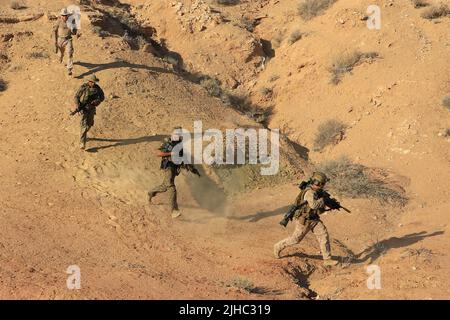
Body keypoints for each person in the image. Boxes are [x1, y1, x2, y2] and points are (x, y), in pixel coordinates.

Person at [273, 172, 339, 267]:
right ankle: (278, 246)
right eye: (323, 183)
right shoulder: (309, 192)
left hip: (314, 219)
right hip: (304, 220)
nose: (324, 185)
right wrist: (323, 200)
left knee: (323, 235)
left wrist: (331, 203)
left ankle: (327, 259)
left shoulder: (317, 191)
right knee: (295, 239)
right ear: (318, 183)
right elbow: (314, 205)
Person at [148, 128, 201, 219]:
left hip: (174, 169)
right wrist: (170, 153)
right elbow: (158, 153)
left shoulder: (180, 146)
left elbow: (185, 160)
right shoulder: (168, 143)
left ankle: (151, 192)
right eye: (175, 134)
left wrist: (193, 170)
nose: (177, 136)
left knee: (165, 186)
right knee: (171, 188)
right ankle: (174, 211)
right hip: (168, 167)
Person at [72, 74, 105, 150]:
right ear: (89, 81)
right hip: (84, 108)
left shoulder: (98, 89)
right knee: (83, 125)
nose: (93, 83)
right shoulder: (83, 87)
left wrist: (97, 101)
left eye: (94, 82)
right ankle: (82, 142)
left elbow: (102, 97)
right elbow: (76, 96)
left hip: (92, 109)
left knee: (89, 124)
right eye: (91, 82)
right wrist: (77, 105)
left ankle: (84, 134)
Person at [53, 8, 77, 76]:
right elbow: (54, 31)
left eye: (65, 15)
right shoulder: (58, 22)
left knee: (69, 53)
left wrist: (73, 28)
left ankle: (69, 69)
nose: (64, 17)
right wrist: (54, 41)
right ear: (61, 15)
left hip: (68, 39)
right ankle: (60, 57)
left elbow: (74, 33)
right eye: (63, 15)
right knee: (61, 54)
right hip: (60, 40)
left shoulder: (71, 21)